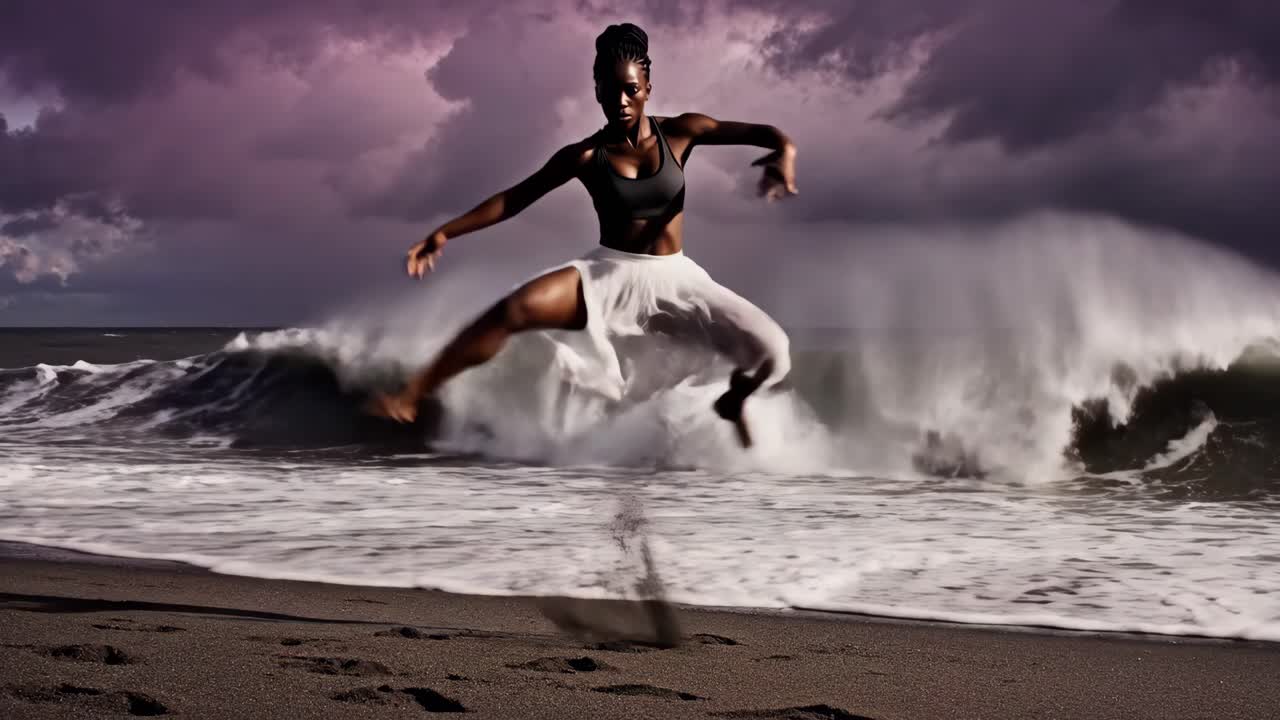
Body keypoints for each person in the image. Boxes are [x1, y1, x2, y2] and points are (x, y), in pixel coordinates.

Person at [368, 22, 797, 448]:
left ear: (647, 85)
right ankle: (411, 396)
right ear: (596, 90)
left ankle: (733, 401)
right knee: (513, 310)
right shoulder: (586, 156)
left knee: (775, 352)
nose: (621, 100)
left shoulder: (683, 131)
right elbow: (515, 198)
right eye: (610, 90)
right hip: (609, 274)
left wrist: (785, 153)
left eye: (630, 88)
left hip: (677, 279)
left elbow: (766, 135)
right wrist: (444, 233)